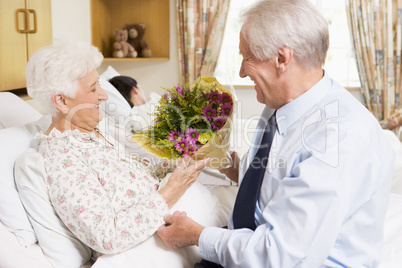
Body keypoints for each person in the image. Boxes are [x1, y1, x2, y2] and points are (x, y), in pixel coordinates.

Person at [156, 0, 395, 267]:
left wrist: (197, 235)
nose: (242, 72)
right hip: (248, 248)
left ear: (281, 59)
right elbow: (276, 178)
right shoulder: (281, 105)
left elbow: (280, 255)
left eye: (247, 57)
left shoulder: (341, 137)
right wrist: (228, 163)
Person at [24, 39, 210, 255]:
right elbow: (107, 236)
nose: (103, 95)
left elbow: (137, 176)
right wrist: (173, 190)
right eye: (94, 88)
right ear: (62, 102)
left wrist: (180, 163)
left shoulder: (92, 133)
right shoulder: (63, 161)